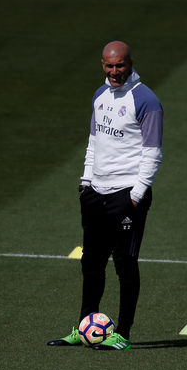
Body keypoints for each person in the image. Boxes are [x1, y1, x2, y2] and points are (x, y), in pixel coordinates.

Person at [48, 40, 163, 351]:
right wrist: (86, 183)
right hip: (95, 193)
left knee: (125, 264)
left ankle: (122, 334)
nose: (115, 72)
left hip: (126, 195)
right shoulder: (100, 96)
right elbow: (94, 142)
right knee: (92, 263)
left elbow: (152, 153)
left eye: (120, 65)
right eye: (109, 66)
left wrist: (136, 196)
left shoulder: (146, 100)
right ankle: (86, 327)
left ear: (130, 63)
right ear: (102, 64)